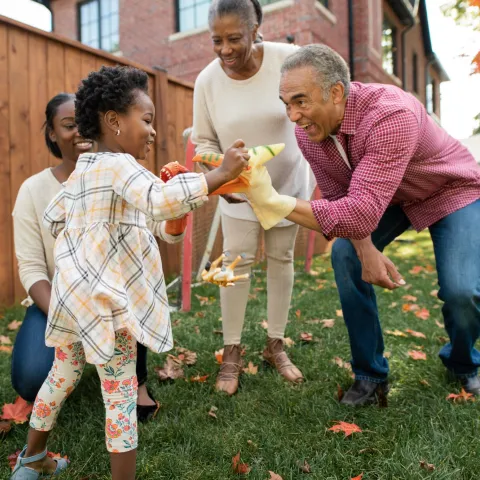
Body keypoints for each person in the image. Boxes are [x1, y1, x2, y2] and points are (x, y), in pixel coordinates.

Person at [10, 65, 248, 480]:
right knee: (120, 396)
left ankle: (31, 461)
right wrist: (220, 175)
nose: (153, 131)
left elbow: (55, 216)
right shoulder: (120, 167)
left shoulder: (85, 170)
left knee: (60, 377)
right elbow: (159, 202)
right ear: (114, 121)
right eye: (148, 119)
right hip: (107, 304)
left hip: (73, 303)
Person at [250, 43, 480, 406]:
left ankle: (463, 361)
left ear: (336, 92)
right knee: (345, 254)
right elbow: (343, 201)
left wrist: (274, 203)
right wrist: (366, 250)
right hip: (389, 196)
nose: (293, 116)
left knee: (461, 291)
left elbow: (357, 213)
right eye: (286, 103)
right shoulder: (309, 132)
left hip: (449, 188)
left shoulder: (391, 115)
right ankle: (370, 375)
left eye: (301, 101)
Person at [11, 92, 185, 422]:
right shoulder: (33, 190)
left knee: (129, 292)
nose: (80, 131)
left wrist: (176, 215)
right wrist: (75, 315)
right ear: (51, 133)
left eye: (85, 122)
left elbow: (162, 227)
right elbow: (32, 268)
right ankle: (77, 363)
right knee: (30, 379)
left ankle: (137, 381)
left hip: (115, 297)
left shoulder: (123, 175)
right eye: (68, 125)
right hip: (59, 299)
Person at [192, 0, 314, 396]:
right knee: (235, 266)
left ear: (256, 28)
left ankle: (275, 344)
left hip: (287, 188)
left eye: (234, 38)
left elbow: (310, 112)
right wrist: (218, 180)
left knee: (282, 259)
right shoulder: (207, 81)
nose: (225, 49)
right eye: (216, 40)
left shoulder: (289, 60)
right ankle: (231, 351)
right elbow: (204, 141)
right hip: (237, 195)